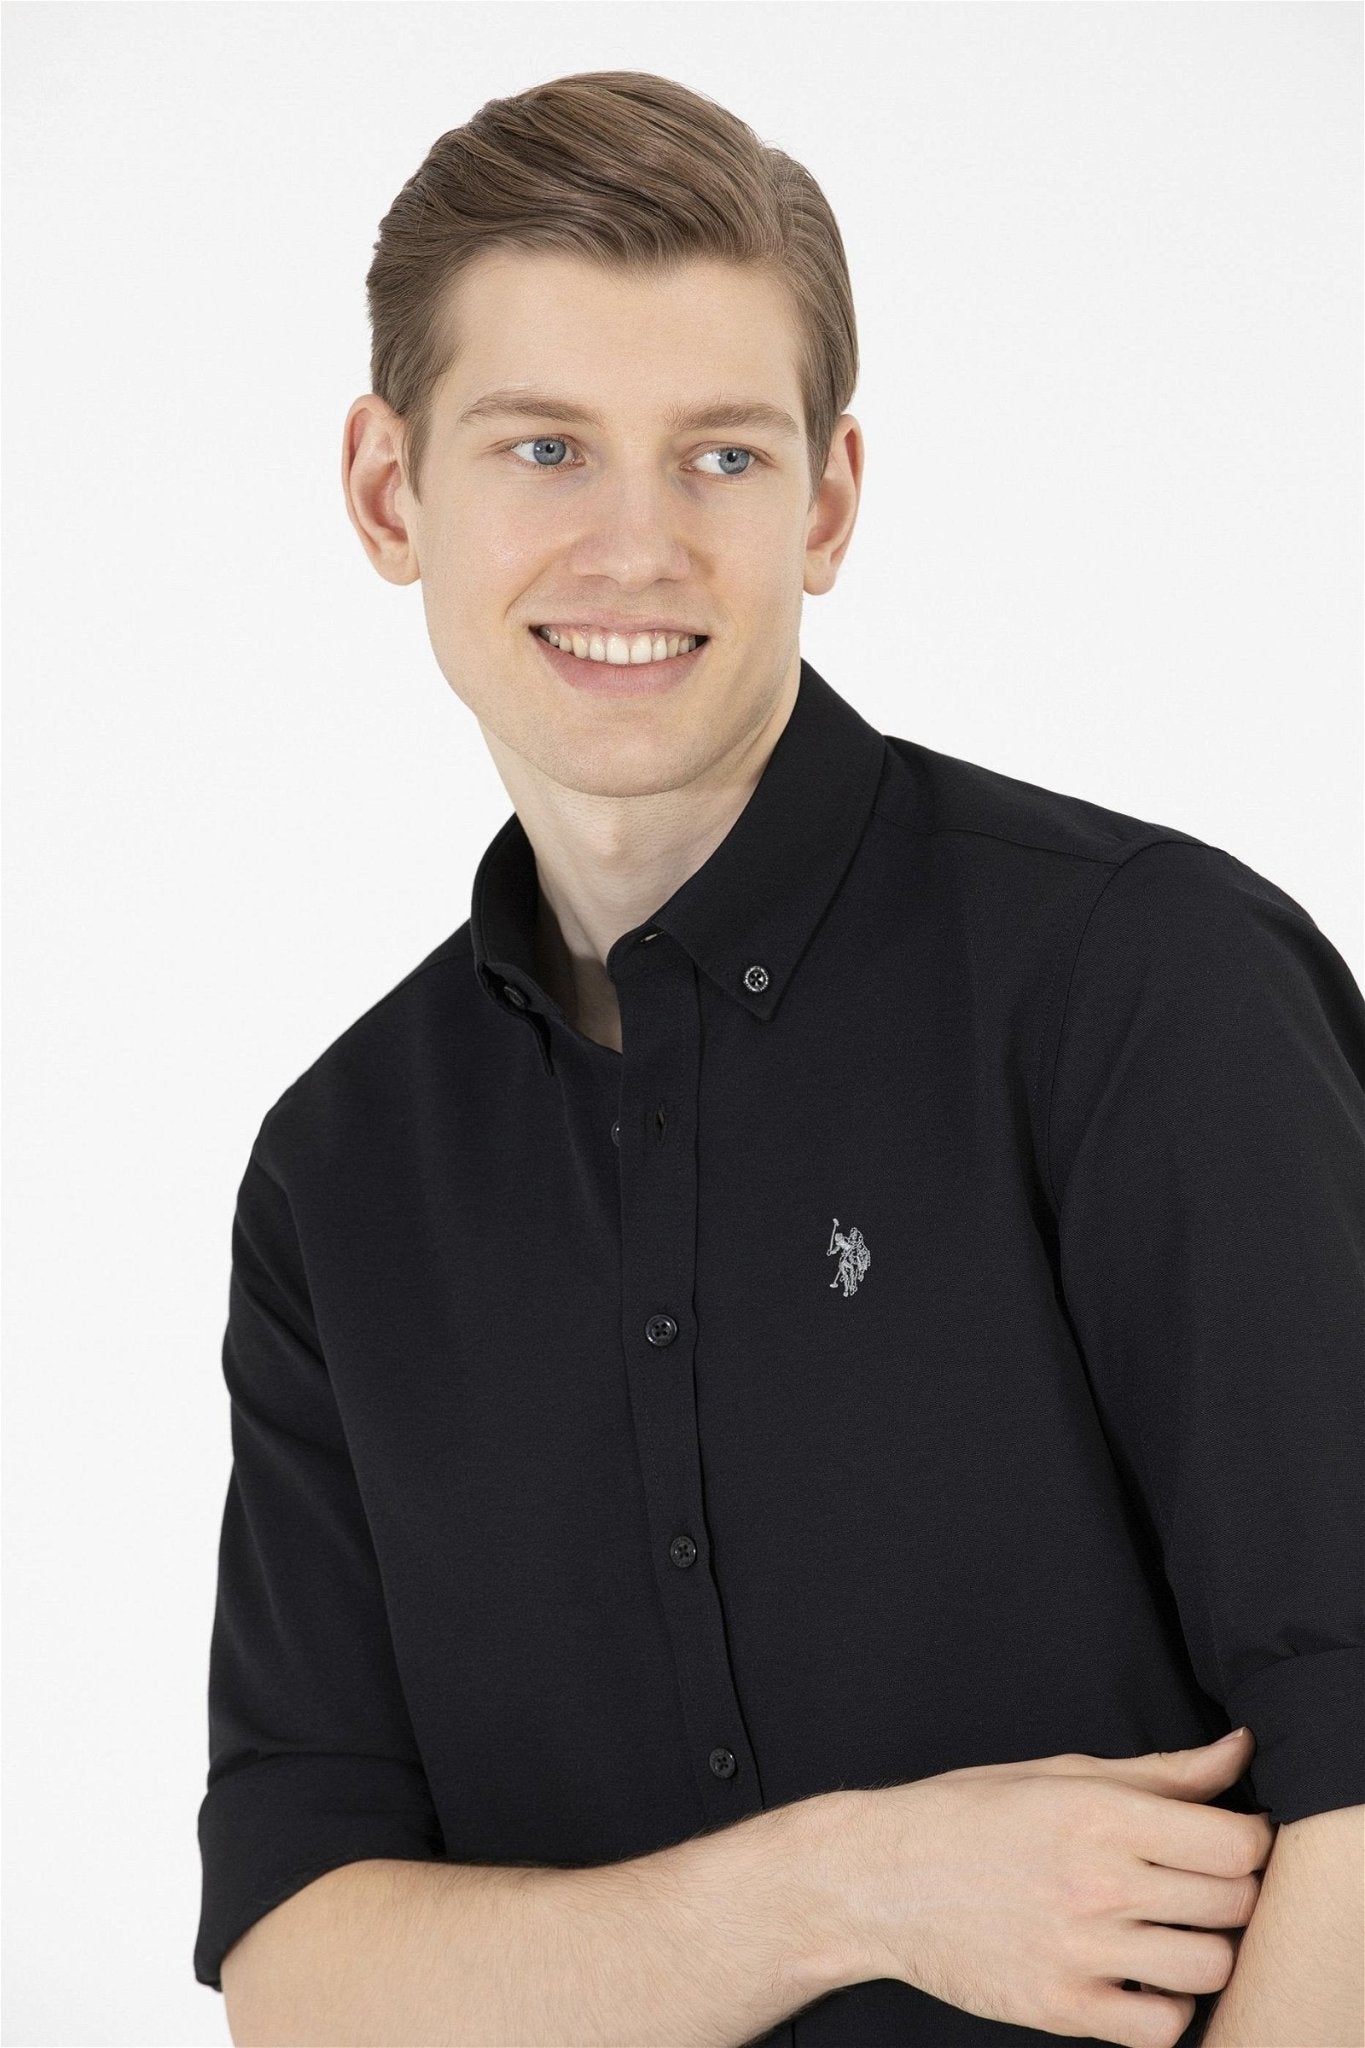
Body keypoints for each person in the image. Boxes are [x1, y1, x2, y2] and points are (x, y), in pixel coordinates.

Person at [195, 70, 1364, 2048]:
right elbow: (303, 1976)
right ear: (391, 493)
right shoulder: (343, 1173)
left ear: (824, 502)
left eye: (719, 457)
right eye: (544, 446)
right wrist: (843, 1891)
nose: (634, 545)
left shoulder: (1138, 985)